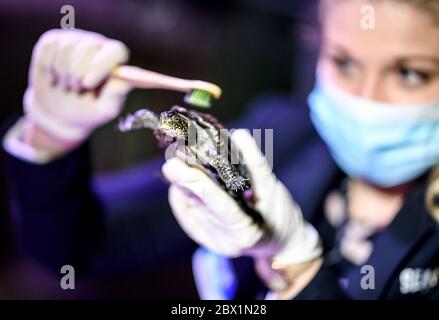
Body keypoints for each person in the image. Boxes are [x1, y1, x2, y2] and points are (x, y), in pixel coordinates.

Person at [2, 0, 439, 299]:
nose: (365, 98)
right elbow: (77, 246)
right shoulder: (282, 138)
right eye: (343, 62)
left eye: (411, 74)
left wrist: (296, 266)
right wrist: (52, 134)